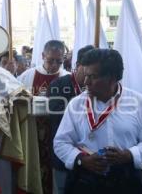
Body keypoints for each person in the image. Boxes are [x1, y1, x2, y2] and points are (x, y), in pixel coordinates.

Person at [54, 48, 142, 194]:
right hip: (85, 181)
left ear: (112, 78)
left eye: (92, 77)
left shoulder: (139, 102)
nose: (86, 82)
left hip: (127, 181)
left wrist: (129, 155)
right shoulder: (76, 104)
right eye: (85, 76)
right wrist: (81, 159)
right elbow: (60, 142)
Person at [18, 40, 69, 194]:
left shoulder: (67, 78)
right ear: (42, 56)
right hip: (32, 131)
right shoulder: (27, 76)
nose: (54, 65)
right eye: (50, 60)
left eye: (59, 61)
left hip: (56, 132)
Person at [47, 45, 94, 194]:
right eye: (87, 69)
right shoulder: (58, 85)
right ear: (78, 65)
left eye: (95, 72)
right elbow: (56, 116)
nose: (90, 77)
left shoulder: (99, 88)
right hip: (65, 156)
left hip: (93, 159)